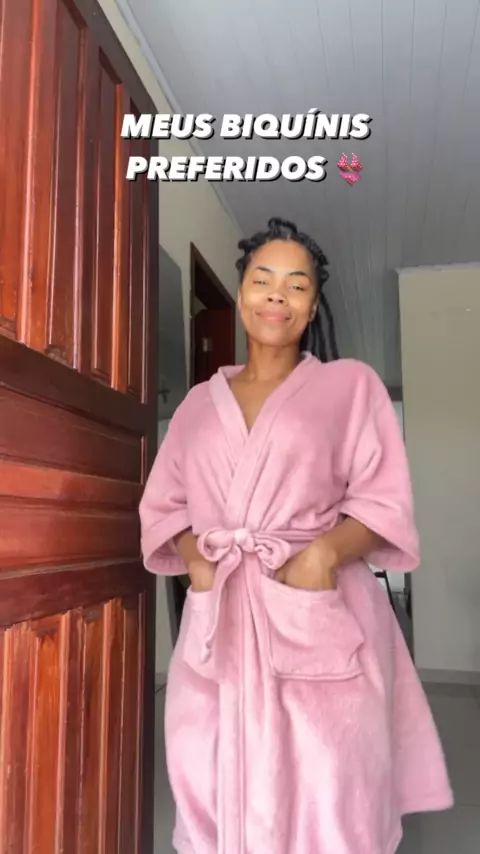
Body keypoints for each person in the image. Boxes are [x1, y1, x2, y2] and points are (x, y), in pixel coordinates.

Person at [140, 217, 452, 854]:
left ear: (312, 306)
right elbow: (165, 505)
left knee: (331, 778)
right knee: (208, 764)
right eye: (263, 279)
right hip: (223, 615)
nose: (277, 294)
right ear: (242, 293)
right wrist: (198, 556)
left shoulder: (351, 387)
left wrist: (326, 553)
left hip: (317, 602)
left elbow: (383, 500)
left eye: (296, 284)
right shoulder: (197, 404)